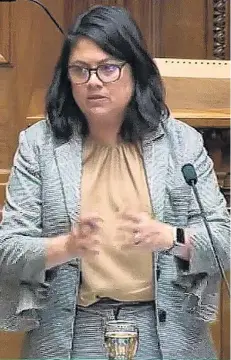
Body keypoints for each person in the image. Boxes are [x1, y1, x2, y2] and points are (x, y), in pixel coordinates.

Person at [0, 5, 229, 360]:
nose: (94, 81)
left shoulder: (180, 143)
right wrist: (67, 246)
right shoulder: (39, 146)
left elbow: (224, 243)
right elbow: (8, 250)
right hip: (71, 334)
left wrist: (172, 238)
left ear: (135, 71)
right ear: (67, 77)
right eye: (81, 70)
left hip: (166, 333)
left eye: (108, 68)